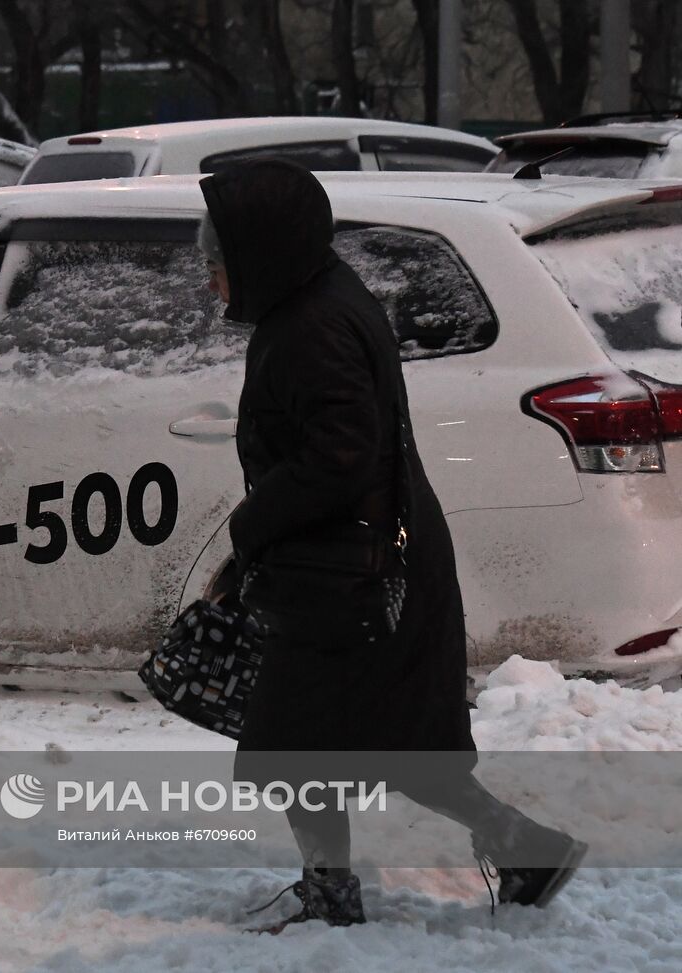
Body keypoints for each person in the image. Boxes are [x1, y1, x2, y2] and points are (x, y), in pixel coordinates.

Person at [197, 161, 585, 932]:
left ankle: (334, 898)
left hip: (349, 575)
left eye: (217, 255)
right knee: (385, 736)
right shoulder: (317, 300)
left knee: (301, 741)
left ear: (262, 249)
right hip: (363, 563)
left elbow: (340, 456)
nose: (207, 273)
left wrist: (248, 528)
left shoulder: (310, 326)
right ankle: (523, 849)